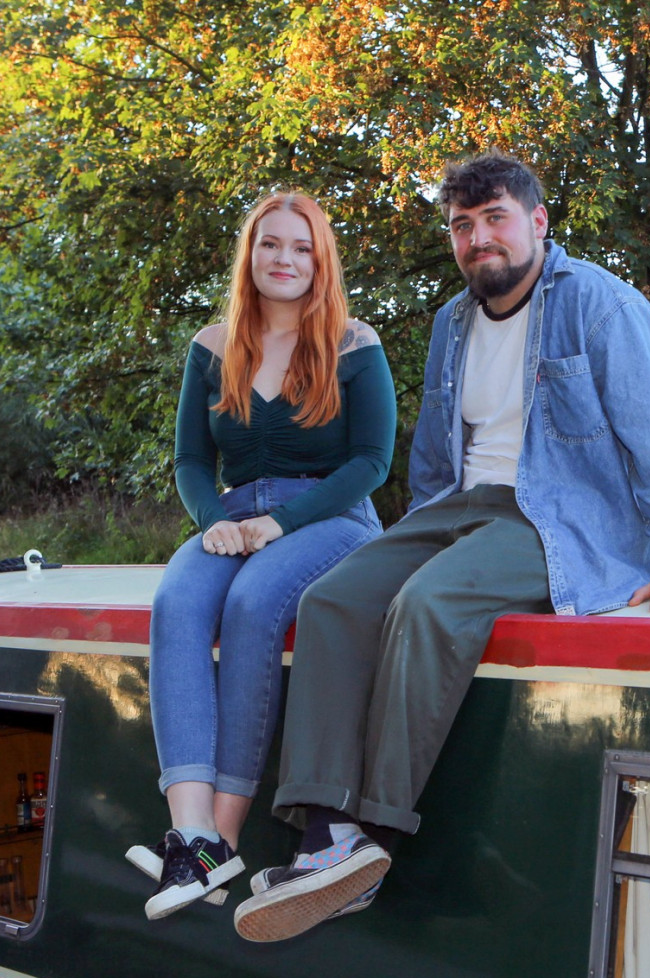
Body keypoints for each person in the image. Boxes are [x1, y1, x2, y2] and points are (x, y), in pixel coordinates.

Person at [232, 151, 650, 943]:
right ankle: (324, 832)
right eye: (462, 225)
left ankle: (374, 838)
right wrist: (424, 533)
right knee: (332, 598)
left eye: (494, 219)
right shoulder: (451, 320)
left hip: (562, 517)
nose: (477, 238)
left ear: (536, 222)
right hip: (458, 506)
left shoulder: (602, 305)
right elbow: (433, 455)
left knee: (429, 603)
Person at [125, 192, 396, 920]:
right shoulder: (212, 347)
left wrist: (277, 525)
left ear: (321, 259)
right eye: (270, 244)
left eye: (301, 247)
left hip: (331, 517)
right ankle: (191, 832)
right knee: (177, 601)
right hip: (234, 516)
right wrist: (214, 522)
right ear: (250, 255)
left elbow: (371, 462)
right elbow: (189, 460)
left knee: (252, 604)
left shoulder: (354, 342)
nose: (285, 258)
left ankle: (228, 833)